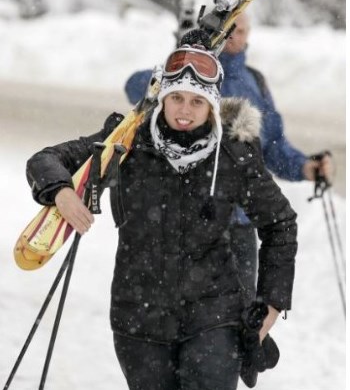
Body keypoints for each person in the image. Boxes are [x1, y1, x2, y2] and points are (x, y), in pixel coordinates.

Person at [26, 45, 298, 389]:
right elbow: (45, 160)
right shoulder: (125, 143)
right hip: (138, 320)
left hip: (214, 316)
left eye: (197, 102)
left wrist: (273, 302)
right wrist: (61, 192)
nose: (185, 111)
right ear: (163, 98)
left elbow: (281, 223)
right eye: (177, 99)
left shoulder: (232, 154)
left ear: (212, 106)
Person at [125, 11, 331, 297]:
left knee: (241, 311)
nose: (236, 36)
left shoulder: (255, 81)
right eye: (230, 30)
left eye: (243, 31)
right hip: (193, 218)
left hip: (241, 224)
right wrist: (187, 54)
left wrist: (306, 167)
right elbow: (136, 86)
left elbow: (272, 146)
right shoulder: (192, 74)